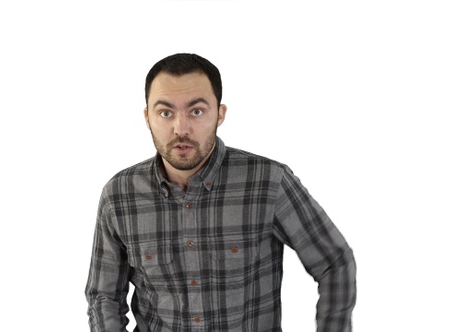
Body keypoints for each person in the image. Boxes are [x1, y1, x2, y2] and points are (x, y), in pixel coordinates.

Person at [85, 53, 357, 332]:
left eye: (197, 111)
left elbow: (334, 262)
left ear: (220, 113)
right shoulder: (119, 196)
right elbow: (104, 296)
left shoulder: (268, 183)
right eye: (165, 112)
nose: (181, 128)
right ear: (147, 117)